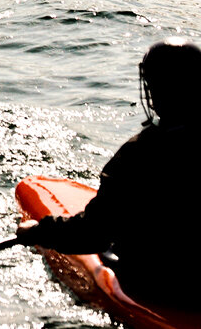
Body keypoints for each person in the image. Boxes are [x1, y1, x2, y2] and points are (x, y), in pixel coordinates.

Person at [17, 39, 201, 309]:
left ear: (155, 91)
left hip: (168, 288)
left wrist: (40, 231)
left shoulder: (141, 154)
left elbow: (94, 234)